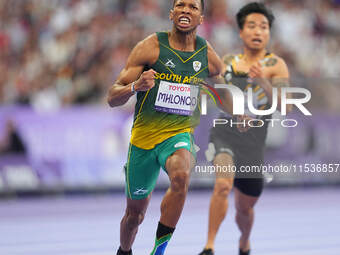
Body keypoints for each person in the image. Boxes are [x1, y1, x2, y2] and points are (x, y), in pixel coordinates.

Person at [107, 1, 223, 254]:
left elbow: (223, 82)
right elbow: (112, 97)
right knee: (134, 216)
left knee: (181, 176)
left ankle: (158, 252)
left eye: (192, 6)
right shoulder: (150, 47)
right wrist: (135, 86)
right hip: (143, 141)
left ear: (201, 18)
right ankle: (124, 251)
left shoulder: (206, 53)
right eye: (180, 5)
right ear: (171, 13)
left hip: (178, 134)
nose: (185, 9)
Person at [199, 2, 291, 255]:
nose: (257, 31)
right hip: (225, 132)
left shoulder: (276, 66)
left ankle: (244, 242)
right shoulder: (229, 62)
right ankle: (209, 246)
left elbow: (287, 107)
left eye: (263, 26)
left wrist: (263, 82)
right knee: (223, 185)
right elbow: (219, 95)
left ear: (269, 32)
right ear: (241, 32)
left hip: (254, 143)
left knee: (244, 208)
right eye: (251, 25)